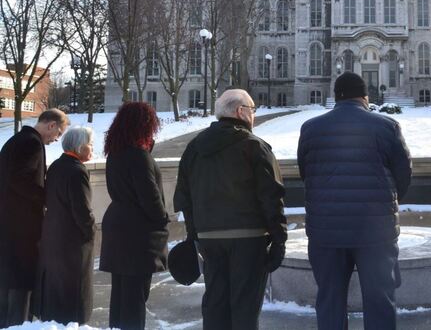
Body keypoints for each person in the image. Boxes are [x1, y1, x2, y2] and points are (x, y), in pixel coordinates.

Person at [297, 72, 412, 329]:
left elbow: (306, 173)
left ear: (336, 96)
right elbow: (403, 175)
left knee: (330, 301)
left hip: (326, 233)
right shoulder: (386, 126)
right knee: (380, 301)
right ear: (364, 96)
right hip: (375, 232)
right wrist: (384, 204)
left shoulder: (311, 128)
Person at [174, 89, 287, 329]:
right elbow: (271, 196)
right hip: (249, 239)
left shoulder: (194, 148)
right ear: (240, 112)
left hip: (209, 238)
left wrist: (195, 235)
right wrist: (278, 240)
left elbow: (184, 196)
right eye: (253, 109)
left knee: (215, 305)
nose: (254, 115)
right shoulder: (255, 147)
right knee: (244, 309)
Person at [99, 102, 169, 330]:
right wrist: (162, 219)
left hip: (118, 226)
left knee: (120, 295)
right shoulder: (139, 156)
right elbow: (150, 197)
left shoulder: (115, 154)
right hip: (137, 233)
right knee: (135, 298)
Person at [0, 108, 68, 325]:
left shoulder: (16, 140)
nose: (55, 139)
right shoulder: (31, 143)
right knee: (21, 288)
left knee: (8, 286)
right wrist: (47, 198)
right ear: (51, 125)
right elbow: (22, 181)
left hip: (9, 225)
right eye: (57, 134)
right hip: (22, 228)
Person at [36, 126, 95, 325]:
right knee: (74, 295)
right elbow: (82, 211)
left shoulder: (57, 166)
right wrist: (90, 231)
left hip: (52, 235)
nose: (92, 149)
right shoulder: (77, 172)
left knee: (55, 291)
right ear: (80, 147)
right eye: (90, 144)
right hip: (71, 242)